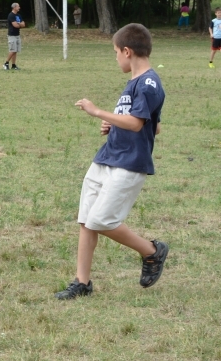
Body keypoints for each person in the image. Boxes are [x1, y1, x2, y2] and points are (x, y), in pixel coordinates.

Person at [56, 23, 167, 300]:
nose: (115, 57)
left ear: (127, 51)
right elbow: (152, 126)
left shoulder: (149, 83)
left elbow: (136, 122)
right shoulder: (135, 82)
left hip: (129, 163)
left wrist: (97, 112)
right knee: (86, 220)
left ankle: (152, 251)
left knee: (102, 220)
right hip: (107, 157)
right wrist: (113, 125)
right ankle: (82, 283)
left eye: (116, 52)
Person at [3, 3, 25, 71]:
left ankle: (13, 65)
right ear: (14, 7)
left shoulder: (18, 15)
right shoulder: (11, 15)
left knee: (15, 51)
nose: (19, 7)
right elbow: (15, 25)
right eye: (18, 6)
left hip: (17, 35)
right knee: (12, 50)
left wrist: (19, 24)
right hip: (12, 35)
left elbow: (23, 24)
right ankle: (6, 63)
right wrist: (19, 24)